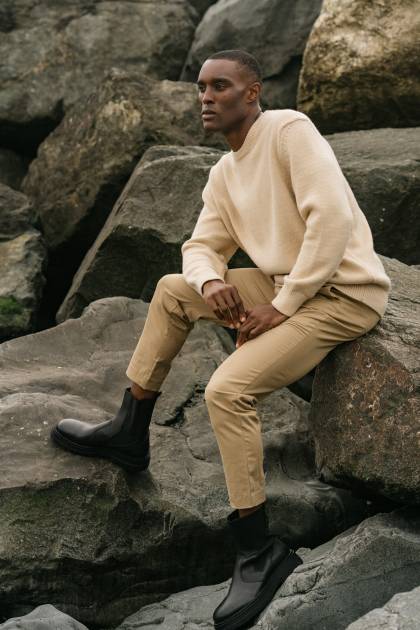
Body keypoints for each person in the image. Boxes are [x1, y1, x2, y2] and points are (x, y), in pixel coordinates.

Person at [51, 49, 391, 630]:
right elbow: (200, 247)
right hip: (286, 286)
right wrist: (211, 282)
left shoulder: (288, 130)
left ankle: (259, 550)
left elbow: (331, 219)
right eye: (202, 87)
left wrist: (282, 306)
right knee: (173, 288)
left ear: (252, 92)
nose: (206, 97)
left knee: (227, 391)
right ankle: (130, 427)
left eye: (221, 86)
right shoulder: (224, 174)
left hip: (341, 295)